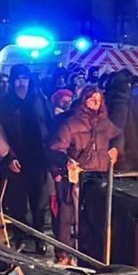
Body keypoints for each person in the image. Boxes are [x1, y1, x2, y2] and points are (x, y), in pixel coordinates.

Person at [49, 86, 122, 250]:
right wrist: (66, 161)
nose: (96, 104)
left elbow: (118, 135)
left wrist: (116, 148)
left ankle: (91, 251)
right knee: (67, 216)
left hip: (100, 176)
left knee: (94, 217)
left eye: (99, 100)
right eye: (92, 100)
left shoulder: (105, 122)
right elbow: (55, 148)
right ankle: (64, 253)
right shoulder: (71, 124)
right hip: (77, 177)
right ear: (84, 100)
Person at [0, 66, 51, 248]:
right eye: (18, 79)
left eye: (24, 79)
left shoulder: (39, 99)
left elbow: (48, 125)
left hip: (37, 158)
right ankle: (19, 236)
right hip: (15, 157)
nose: (21, 83)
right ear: (12, 81)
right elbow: (1, 132)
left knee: (39, 201)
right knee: (17, 201)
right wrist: (9, 156)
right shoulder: (4, 103)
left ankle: (39, 236)